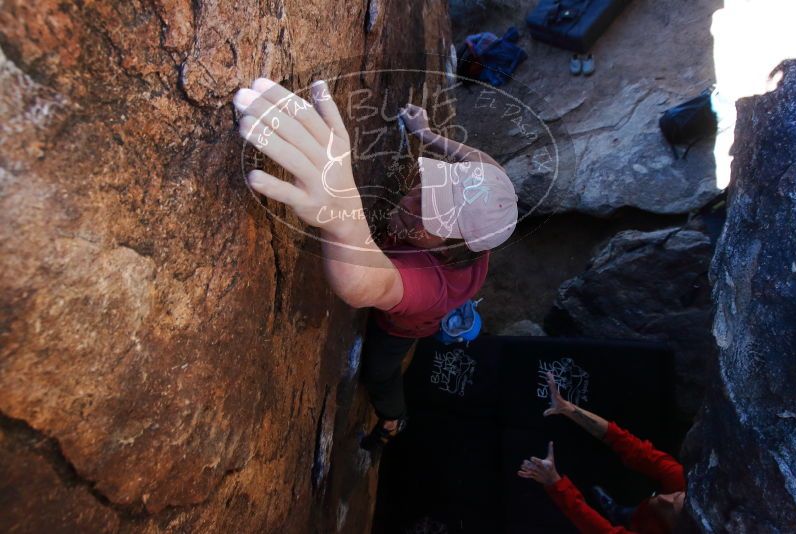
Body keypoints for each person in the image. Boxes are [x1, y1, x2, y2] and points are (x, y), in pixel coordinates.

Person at [233, 78, 518, 449]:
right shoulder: (492, 189)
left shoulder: (433, 286)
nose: (410, 203)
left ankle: (393, 417)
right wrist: (427, 134)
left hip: (404, 326)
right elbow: (479, 160)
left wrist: (343, 218)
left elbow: (366, 286)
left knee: (379, 371)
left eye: (428, 218)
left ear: (450, 250)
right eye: (428, 191)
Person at [517, 373, 686, 533]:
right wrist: (569, 409)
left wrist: (554, 482)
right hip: (643, 516)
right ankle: (618, 512)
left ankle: (619, 514)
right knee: (630, 513)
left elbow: (599, 530)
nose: (665, 499)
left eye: (671, 509)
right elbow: (627, 444)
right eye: (678, 495)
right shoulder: (681, 479)